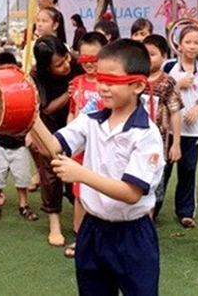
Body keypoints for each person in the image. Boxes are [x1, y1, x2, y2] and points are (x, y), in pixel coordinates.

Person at [32, 39, 165, 296]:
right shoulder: (91, 119)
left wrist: (81, 174)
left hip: (133, 235)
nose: (102, 86)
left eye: (111, 80)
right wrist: (31, 113)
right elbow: (52, 146)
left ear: (138, 84)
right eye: (100, 77)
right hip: (92, 229)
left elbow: (131, 193)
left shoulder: (147, 134)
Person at [29, 35, 83, 246]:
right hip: (49, 125)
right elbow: (47, 108)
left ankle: (83, 217)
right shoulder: (35, 75)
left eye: (66, 58)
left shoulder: (77, 61)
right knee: (51, 172)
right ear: (46, 67)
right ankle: (54, 224)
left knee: (78, 171)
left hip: (77, 122)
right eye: (59, 65)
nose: (66, 65)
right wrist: (71, 92)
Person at [163, 25, 198, 228]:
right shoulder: (168, 67)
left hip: (192, 132)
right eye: (188, 42)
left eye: (196, 43)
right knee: (162, 170)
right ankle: (152, 208)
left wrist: (197, 108)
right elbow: (159, 92)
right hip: (166, 129)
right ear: (179, 45)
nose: (192, 47)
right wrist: (178, 84)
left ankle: (185, 212)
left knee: (188, 170)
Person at [64, 31, 108, 259]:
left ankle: (101, 239)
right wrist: (68, 143)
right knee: (79, 194)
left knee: (102, 191)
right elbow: (72, 113)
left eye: (95, 59)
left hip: (103, 147)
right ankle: (80, 237)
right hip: (81, 148)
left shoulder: (109, 84)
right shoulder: (76, 83)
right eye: (84, 59)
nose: (89, 64)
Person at [0, 52, 38, 222]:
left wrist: (30, 133)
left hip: (19, 142)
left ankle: (23, 205)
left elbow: (32, 112)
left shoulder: (22, 86)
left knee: (22, 176)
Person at [142, 34, 183, 220]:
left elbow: (175, 111)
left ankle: (149, 219)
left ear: (164, 56)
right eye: (144, 54)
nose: (148, 58)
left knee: (156, 181)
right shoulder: (135, 79)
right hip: (136, 139)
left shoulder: (167, 82)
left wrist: (176, 143)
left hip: (158, 141)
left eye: (152, 54)